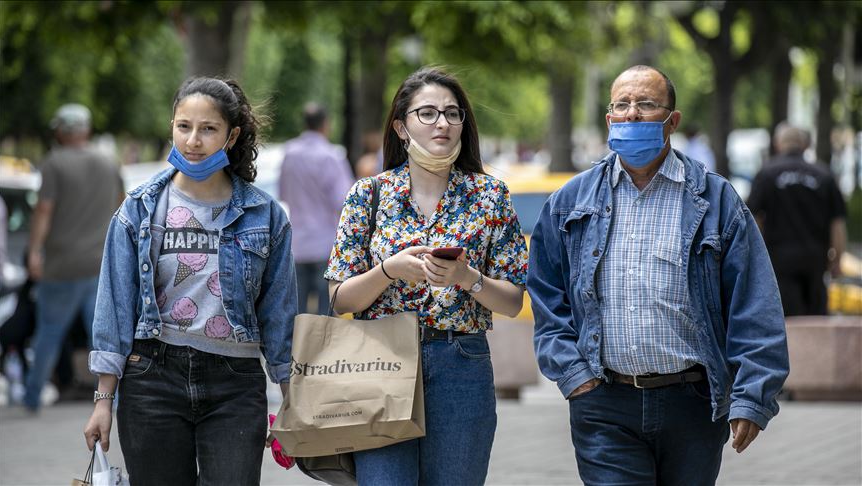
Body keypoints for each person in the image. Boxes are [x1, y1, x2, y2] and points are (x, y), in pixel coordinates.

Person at [527, 65, 789, 486]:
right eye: (622, 105)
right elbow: (545, 295)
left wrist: (752, 397)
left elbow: (754, 301)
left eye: (646, 104)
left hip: (694, 403)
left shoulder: (715, 200)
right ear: (609, 118)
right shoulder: (569, 202)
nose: (632, 114)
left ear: (673, 120)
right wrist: (575, 377)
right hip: (604, 401)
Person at [83, 77, 297, 485]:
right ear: (171, 126)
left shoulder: (265, 217)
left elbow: (279, 317)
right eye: (184, 126)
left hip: (235, 384)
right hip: (152, 379)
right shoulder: (139, 209)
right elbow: (114, 308)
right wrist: (103, 401)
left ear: (231, 136)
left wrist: (291, 400)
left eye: (208, 129)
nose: (193, 140)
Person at [324, 66, 528, 485]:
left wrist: (466, 276)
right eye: (428, 113)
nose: (443, 123)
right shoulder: (369, 194)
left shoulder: (490, 194)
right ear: (401, 126)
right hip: (379, 362)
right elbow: (339, 298)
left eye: (453, 114)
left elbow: (511, 301)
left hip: (461, 362)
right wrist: (388, 270)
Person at [23, 104, 124, 412]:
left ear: (61, 132)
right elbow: (123, 208)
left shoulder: (53, 163)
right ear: (87, 130)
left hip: (61, 266)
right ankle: (114, 402)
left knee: (49, 333)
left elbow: (44, 210)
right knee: (103, 337)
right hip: (100, 264)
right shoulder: (109, 164)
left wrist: (35, 251)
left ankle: (31, 398)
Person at [747, 122, 847, 316]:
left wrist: (754, 258)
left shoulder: (767, 174)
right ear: (805, 145)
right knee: (815, 321)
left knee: (785, 321)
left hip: (778, 261)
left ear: (777, 144)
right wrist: (838, 260)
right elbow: (837, 223)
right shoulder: (824, 175)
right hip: (816, 260)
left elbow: (753, 219)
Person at [279, 102, 353, 315]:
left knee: (297, 315)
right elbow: (344, 202)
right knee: (325, 317)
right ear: (325, 124)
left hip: (297, 244)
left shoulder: (290, 153)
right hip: (325, 244)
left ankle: (296, 350)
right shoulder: (330, 155)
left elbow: (283, 194)